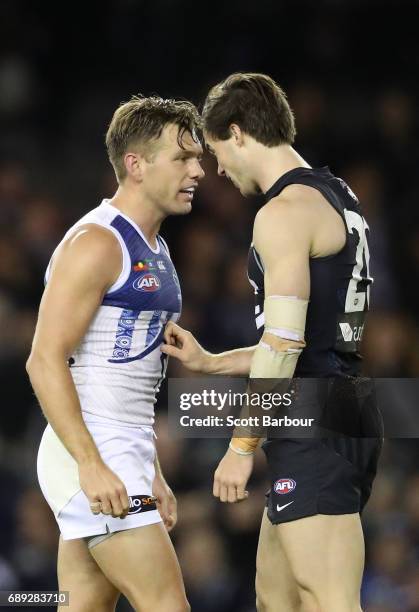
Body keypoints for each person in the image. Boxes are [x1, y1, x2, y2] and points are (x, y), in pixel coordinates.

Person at [162, 73, 382, 612]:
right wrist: (214, 364)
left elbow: (283, 349)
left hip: (315, 419)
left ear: (237, 133)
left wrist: (241, 448)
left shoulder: (281, 214)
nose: (217, 170)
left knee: (328, 598)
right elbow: (303, 340)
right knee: (275, 598)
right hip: (332, 406)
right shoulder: (336, 193)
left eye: (216, 152)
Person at [26, 94, 204, 612]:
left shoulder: (157, 249)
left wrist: (150, 471)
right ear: (136, 165)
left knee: (84, 605)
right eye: (183, 158)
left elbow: (133, 378)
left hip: (120, 451)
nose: (198, 171)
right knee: (167, 604)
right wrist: (92, 464)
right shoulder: (97, 243)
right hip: (90, 450)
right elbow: (43, 359)